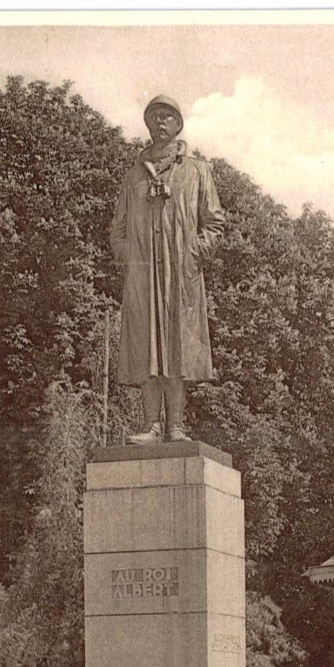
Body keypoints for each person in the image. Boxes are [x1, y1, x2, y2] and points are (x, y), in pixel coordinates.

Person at [110, 95, 225, 444]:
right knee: (147, 347)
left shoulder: (197, 170)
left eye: (167, 117)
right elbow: (118, 230)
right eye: (154, 117)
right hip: (144, 275)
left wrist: (193, 254)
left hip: (180, 275)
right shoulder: (133, 177)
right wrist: (131, 259)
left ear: (177, 124)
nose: (160, 123)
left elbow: (215, 223)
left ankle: (176, 425)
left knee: (176, 347)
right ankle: (150, 425)